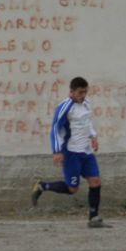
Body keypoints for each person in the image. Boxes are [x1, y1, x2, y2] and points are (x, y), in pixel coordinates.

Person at [31, 76, 108, 228]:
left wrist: (93, 136)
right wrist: (57, 151)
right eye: (80, 92)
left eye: (85, 92)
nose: (83, 95)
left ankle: (94, 218)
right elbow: (55, 129)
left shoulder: (86, 103)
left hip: (86, 152)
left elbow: (87, 122)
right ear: (71, 92)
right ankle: (43, 186)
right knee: (72, 188)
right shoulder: (65, 107)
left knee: (95, 181)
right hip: (71, 153)